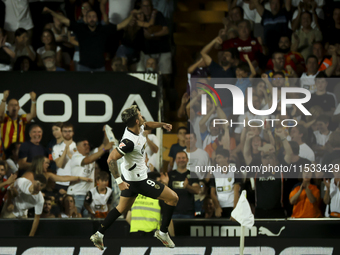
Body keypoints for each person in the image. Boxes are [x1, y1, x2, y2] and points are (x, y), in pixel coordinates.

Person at [90, 105, 178, 250]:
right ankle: (162, 232)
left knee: (121, 208)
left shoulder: (137, 127)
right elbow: (111, 159)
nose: (142, 116)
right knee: (173, 198)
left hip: (130, 175)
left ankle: (99, 233)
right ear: (137, 120)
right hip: (138, 181)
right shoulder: (129, 142)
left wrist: (162, 125)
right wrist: (119, 182)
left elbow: (147, 124)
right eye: (140, 115)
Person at [43, 7, 137, 71]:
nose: (92, 19)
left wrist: (132, 15)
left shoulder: (103, 29)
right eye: (89, 17)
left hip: (100, 67)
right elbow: (64, 20)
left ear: (96, 18)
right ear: (86, 19)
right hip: (83, 67)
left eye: (94, 16)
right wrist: (51, 12)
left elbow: (121, 25)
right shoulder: (80, 28)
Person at [67, 134, 113, 216]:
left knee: (88, 220)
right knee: (76, 220)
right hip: (77, 195)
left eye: (88, 144)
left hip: (89, 196)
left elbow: (103, 145)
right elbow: (88, 160)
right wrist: (104, 149)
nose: (87, 146)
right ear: (78, 148)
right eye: (84, 145)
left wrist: (106, 132)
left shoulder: (91, 154)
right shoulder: (76, 156)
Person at [126, 171, 175, 237]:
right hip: (152, 235)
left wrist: (138, 226)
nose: (160, 185)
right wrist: (173, 237)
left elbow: (128, 218)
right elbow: (168, 220)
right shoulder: (159, 198)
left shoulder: (135, 196)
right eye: (159, 182)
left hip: (135, 235)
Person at [162, 151, 199, 218]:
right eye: (179, 158)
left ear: (187, 160)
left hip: (188, 212)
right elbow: (163, 193)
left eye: (183, 158)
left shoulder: (193, 174)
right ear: (175, 160)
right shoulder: (169, 175)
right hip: (172, 212)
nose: (181, 160)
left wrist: (187, 186)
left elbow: (197, 190)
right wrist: (164, 184)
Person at [210, 147, 241, 218]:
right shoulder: (214, 173)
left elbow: (236, 193)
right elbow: (212, 193)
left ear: (226, 158)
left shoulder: (235, 172)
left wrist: (235, 210)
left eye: (219, 157)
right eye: (216, 158)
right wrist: (217, 207)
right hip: (220, 208)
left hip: (231, 206)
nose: (217, 160)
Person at [52, 122, 76, 192]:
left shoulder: (78, 147)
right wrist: (65, 151)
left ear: (73, 132)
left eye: (69, 131)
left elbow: (79, 164)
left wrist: (69, 154)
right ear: (62, 133)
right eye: (65, 131)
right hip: (60, 182)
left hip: (73, 182)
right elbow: (59, 165)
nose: (67, 133)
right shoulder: (56, 148)